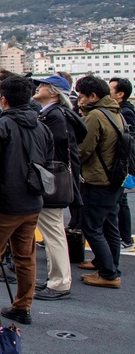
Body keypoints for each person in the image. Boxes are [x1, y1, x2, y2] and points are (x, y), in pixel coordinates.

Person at [0, 75, 53, 327]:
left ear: (3, 100)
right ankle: (22, 307)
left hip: (4, 203)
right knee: (24, 256)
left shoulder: (0, 126)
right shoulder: (42, 127)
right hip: (33, 201)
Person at [32, 75, 81, 300]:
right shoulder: (58, 114)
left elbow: (51, 144)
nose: (38, 88)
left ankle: (60, 282)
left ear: (53, 92)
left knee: (53, 232)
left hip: (52, 178)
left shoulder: (53, 116)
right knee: (53, 231)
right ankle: (55, 278)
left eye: (42, 85)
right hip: (58, 176)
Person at [75, 75, 125, 288]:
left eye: (81, 96)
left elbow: (84, 149)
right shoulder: (115, 112)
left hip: (97, 180)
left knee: (92, 227)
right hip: (114, 179)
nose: (79, 100)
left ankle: (108, 274)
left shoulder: (96, 115)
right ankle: (109, 265)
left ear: (93, 96)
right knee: (109, 226)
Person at [108, 77, 134, 248]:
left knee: (122, 199)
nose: (107, 92)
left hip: (124, 162)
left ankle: (125, 238)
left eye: (110, 90)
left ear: (120, 94)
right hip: (124, 161)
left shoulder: (126, 112)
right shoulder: (123, 110)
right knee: (121, 199)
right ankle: (124, 238)